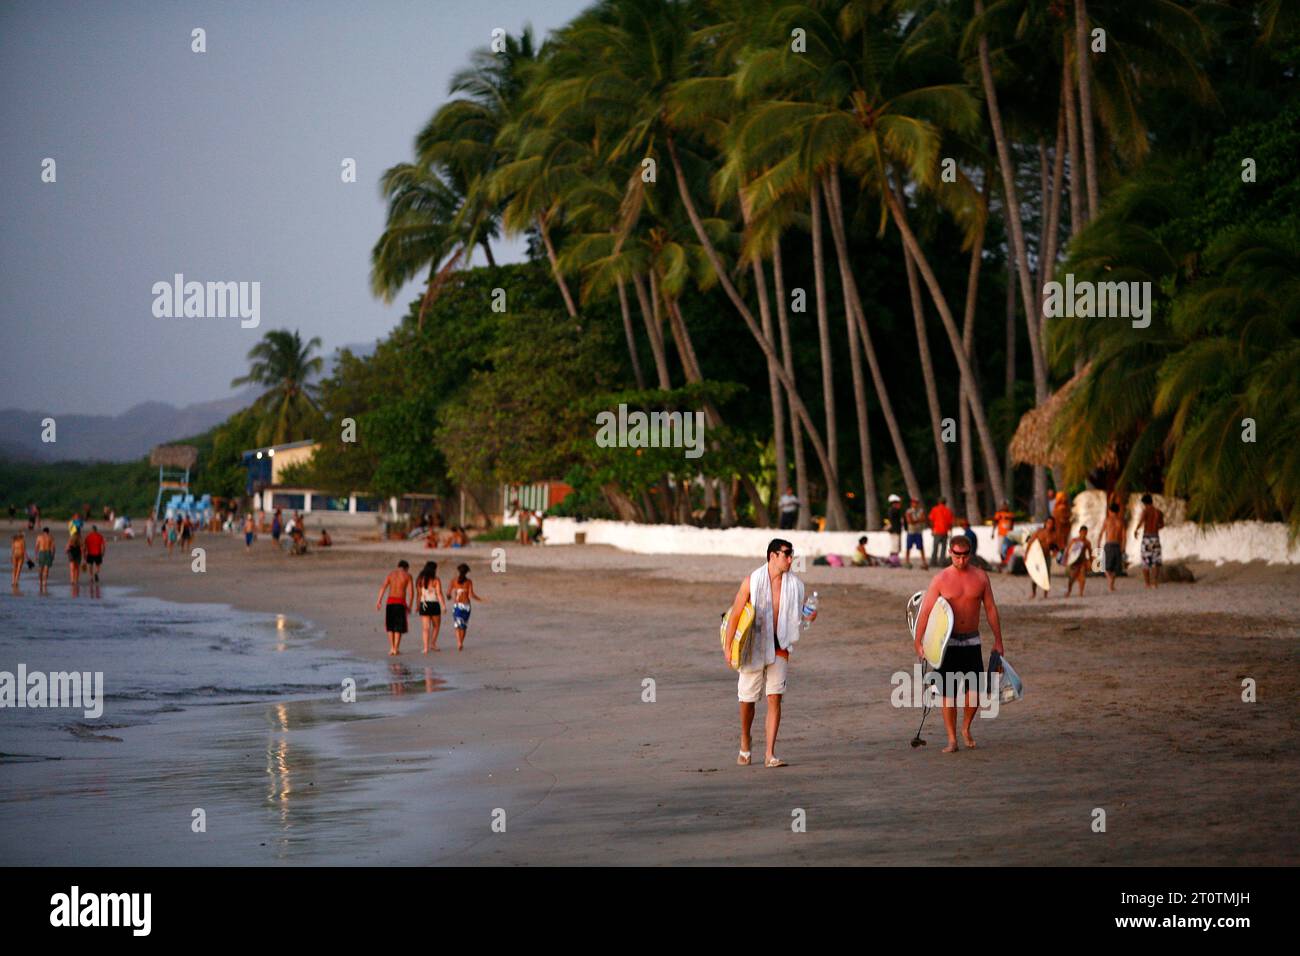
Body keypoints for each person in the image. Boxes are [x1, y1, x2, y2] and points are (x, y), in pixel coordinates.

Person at [722, 539, 813, 768]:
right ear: (773, 556)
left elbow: (800, 614)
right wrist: (729, 647)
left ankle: (770, 754)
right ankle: (745, 740)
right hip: (753, 645)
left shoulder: (796, 586)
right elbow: (735, 614)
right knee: (747, 700)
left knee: (775, 697)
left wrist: (810, 616)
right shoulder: (752, 581)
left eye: (792, 555)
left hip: (780, 644)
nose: (791, 559)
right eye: (786, 555)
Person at [912, 534, 1005, 753]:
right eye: (956, 555)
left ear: (969, 554)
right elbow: (926, 611)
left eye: (964, 556)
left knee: (975, 691)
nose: (961, 560)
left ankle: (966, 728)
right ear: (950, 553)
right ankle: (952, 739)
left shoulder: (981, 577)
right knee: (948, 692)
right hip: (947, 642)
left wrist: (998, 640)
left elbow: (991, 609)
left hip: (972, 639)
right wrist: (919, 642)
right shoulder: (940, 579)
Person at [375, 560, 414, 656]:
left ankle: (392, 648)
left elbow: (383, 587)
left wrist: (379, 601)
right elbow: (411, 593)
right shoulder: (407, 576)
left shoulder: (391, 574)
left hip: (390, 602)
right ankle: (396, 649)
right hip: (400, 602)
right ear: (407, 568)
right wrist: (410, 606)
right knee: (398, 626)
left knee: (390, 626)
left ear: (398, 566)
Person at [448, 562, 487, 651]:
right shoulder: (469, 582)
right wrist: (481, 599)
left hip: (457, 605)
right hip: (466, 606)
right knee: (464, 625)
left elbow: (448, 593)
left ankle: (459, 642)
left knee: (457, 625)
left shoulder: (454, 581)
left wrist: (449, 596)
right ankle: (461, 642)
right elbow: (471, 595)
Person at [1134, 493, 1165, 588]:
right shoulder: (1158, 512)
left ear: (1144, 503)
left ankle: (1147, 583)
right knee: (1156, 561)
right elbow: (1162, 525)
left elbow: (1141, 521)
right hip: (1155, 537)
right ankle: (1155, 583)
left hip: (1147, 538)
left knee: (1145, 561)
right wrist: (1155, 528)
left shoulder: (1146, 511)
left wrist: (1136, 529)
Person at [415, 561, 445, 653]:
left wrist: (417, 605)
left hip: (424, 604)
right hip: (434, 604)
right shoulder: (436, 580)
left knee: (425, 628)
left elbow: (419, 594)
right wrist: (443, 605)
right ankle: (433, 643)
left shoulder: (420, 579)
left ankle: (425, 648)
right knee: (436, 626)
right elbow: (439, 594)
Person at [1028, 517, 1058, 598]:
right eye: (1048, 523)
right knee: (1035, 575)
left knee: (1047, 575)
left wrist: (1055, 553)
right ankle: (1034, 593)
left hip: (1047, 556)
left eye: (1051, 523)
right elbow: (1030, 542)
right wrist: (1027, 555)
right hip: (1037, 557)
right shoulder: (1039, 532)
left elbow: (1055, 547)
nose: (1050, 525)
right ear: (1045, 523)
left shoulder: (1054, 535)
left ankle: (1045, 594)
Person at [1101, 501, 1125, 591]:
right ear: (1118, 511)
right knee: (1115, 567)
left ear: (1110, 511)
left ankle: (1110, 581)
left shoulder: (1107, 520)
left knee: (1105, 567)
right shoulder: (1121, 522)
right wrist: (1123, 547)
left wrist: (1098, 543)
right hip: (1117, 545)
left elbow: (1101, 533)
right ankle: (1111, 585)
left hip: (1109, 544)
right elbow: (1124, 536)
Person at [1065, 525, 1094, 598]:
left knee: (1082, 577)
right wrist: (1066, 561)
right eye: (1083, 532)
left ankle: (1081, 592)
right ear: (1079, 532)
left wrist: (1091, 561)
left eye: (1085, 533)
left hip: (1082, 562)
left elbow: (1090, 553)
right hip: (1074, 562)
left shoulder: (1087, 542)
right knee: (1071, 578)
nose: (1084, 534)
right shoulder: (1074, 541)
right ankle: (1069, 591)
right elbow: (1068, 550)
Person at [928, 496, 954, 566]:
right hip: (945, 531)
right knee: (943, 548)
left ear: (938, 502)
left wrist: (932, 529)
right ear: (945, 502)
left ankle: (933, 562)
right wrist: (950, 532)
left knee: (935, 547)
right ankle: (942, 562)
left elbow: (931, 520)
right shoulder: (948, 510)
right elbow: (950, 523)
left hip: (937, 531)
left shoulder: (934, 509)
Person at [904, 497, 928, 570]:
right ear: (911, 503)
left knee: (921, 547)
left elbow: (923, 519)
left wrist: (914, 520)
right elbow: (909, 521)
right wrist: (918, 520)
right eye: (914, 503)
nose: (915, 504)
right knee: (908, 547)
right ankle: (907, 561)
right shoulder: (908, 511)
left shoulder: (920, 510)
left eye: (916, 503)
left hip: (918, 531)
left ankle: (924, 562)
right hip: (911, 531)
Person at [886, 494, 904, 565]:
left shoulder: (892, 510)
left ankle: (893, 560)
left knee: (895, 546)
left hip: (895, 530)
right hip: (895, 530)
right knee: (895, 546)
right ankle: (893, 561)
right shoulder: (894, 510)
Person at [35, 526, 54, 593]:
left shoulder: (39, 537)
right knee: (46, 570)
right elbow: (53, 548)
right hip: (48, 553)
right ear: (48, 532)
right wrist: (53, 556)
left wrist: (36, 556)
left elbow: (36, 547)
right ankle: (44, 582)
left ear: (43, 531)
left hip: (42, 553)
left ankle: (40, 582)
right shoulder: (50, 537)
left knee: (41, 569)